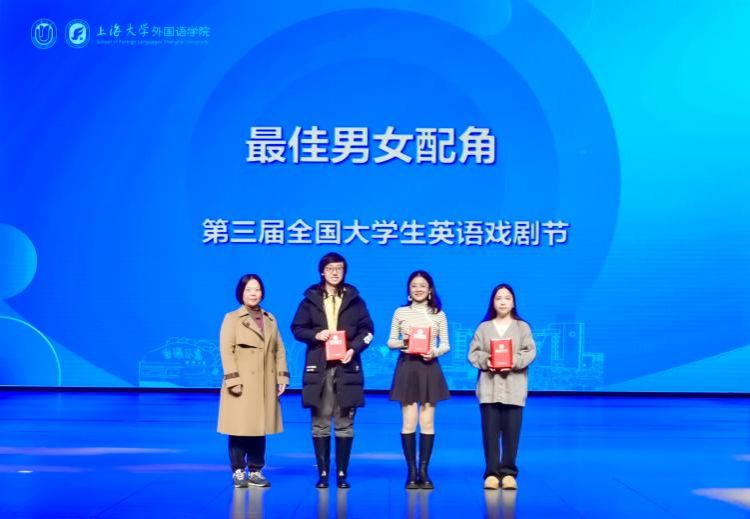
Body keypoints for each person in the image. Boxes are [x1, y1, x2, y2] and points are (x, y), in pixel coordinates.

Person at [291, 252, 374, 489]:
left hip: (347, 367)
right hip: (320, 367)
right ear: (322, 272)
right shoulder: (310, 299)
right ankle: (323, 473)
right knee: (320, 420)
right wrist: (315, 335)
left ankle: (341, 473)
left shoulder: (356, 300)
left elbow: (368, 331)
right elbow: (297, 328)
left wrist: (353, 348)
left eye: (339, 268)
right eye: (330, 269)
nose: (335, 273)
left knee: (345, 421)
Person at [217, 274, 289, 488]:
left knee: (259, 428)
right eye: (248, 289)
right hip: (241, 382)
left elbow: (279, 349)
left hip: (264, 383)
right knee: (239, 427)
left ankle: (256, 470)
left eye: (257, 289)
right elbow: (226, 351)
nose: (253, 293)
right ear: (241, 293)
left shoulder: (270, 318)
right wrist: (233, 380)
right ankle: (238, 470)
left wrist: (281, 376)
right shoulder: (232, 318)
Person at [467, 283, 536, 491]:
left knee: (511, 434)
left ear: (513, 302)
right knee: (490, 434)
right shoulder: (484, 328)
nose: (503, 302)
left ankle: (508, 473)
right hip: (489, 389)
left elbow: (530, 352)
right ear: (493, 302)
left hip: (514, 388)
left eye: (507, 298)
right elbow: (473, 353)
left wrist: (513, 361)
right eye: (498, 298)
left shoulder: (522, 327)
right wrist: (487, 360)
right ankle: (491, 473)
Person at [387, 270, 451, 489]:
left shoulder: (438, 314)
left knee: (427, 422)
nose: (418, 289)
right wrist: (404, 342)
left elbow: (446, 344)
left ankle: (424, 471)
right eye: (414, 285)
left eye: (422, 285)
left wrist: (434, 352)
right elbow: (390, 342)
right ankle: (411, 472)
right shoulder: (400, 312)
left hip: (429, 367)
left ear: (430, 289)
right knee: (408, 421)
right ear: (409, 289)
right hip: (407, 367)